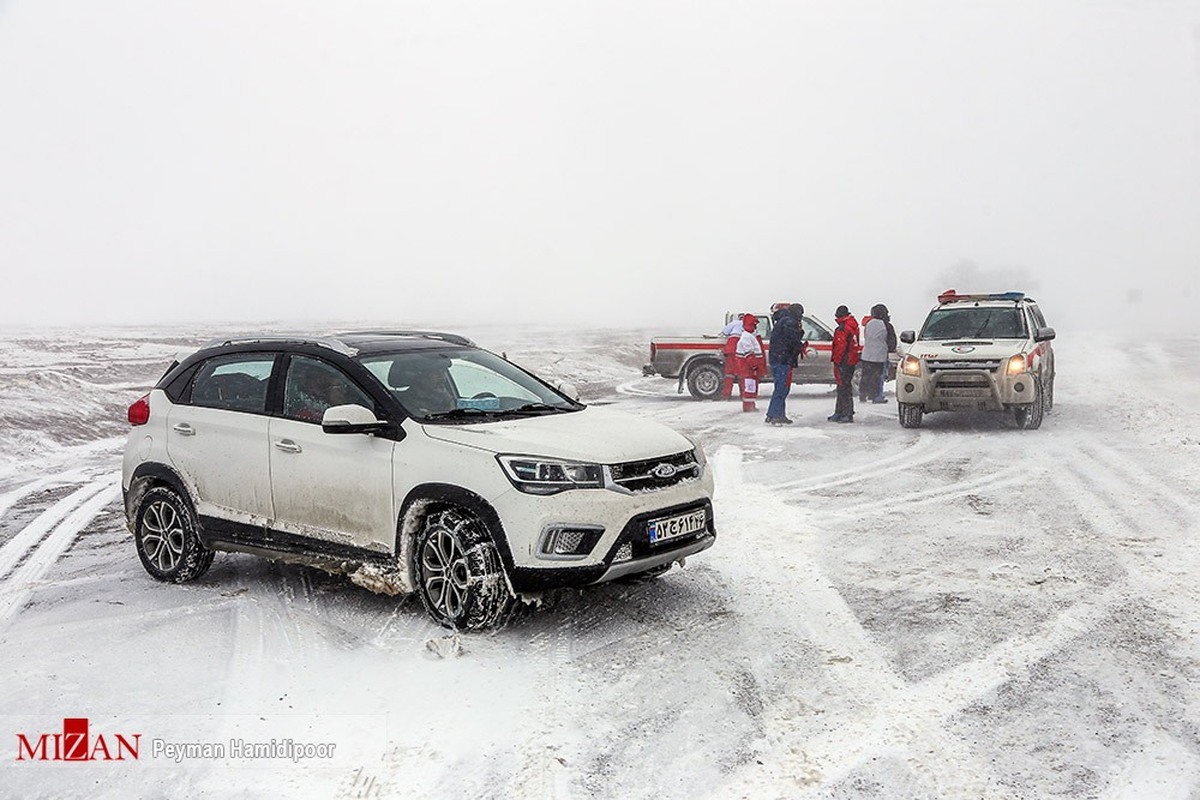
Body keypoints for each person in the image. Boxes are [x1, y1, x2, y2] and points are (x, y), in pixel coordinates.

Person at [765, 303, 805, 425]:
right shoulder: (789, 322)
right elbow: (792, 340)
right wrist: (800, 344)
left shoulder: (782, 320)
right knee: (782, 388)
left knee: (781, 387)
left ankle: (777, 414)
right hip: (783, 359)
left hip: (777, 358)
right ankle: (774, 415)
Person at [829, 305, 860, 423]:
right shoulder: (852, 325)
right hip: (850, 360)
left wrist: (837, 361)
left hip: (844, 362)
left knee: (843, 387)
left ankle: (845, 413)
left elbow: (840, 347)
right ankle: (841, 412)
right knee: (844, 387)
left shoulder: (843, 328)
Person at [859, 303, 890, 404]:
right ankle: (875, 396)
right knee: (876, 377)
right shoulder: (886, 325)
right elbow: (891, 341)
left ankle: (863, 394)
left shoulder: (869, 324)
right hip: (879, 356)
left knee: (866, 376)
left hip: (867, 354)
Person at [734, 313, 765, 412]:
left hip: (748, 367)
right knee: (749, 387)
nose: (755, 327)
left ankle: (750, 404)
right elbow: (749, 354)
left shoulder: (749, 335)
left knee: (750, 386)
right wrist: (754, 366)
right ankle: (748, 406)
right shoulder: (746, 337)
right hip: (748, 368)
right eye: (754, 325)